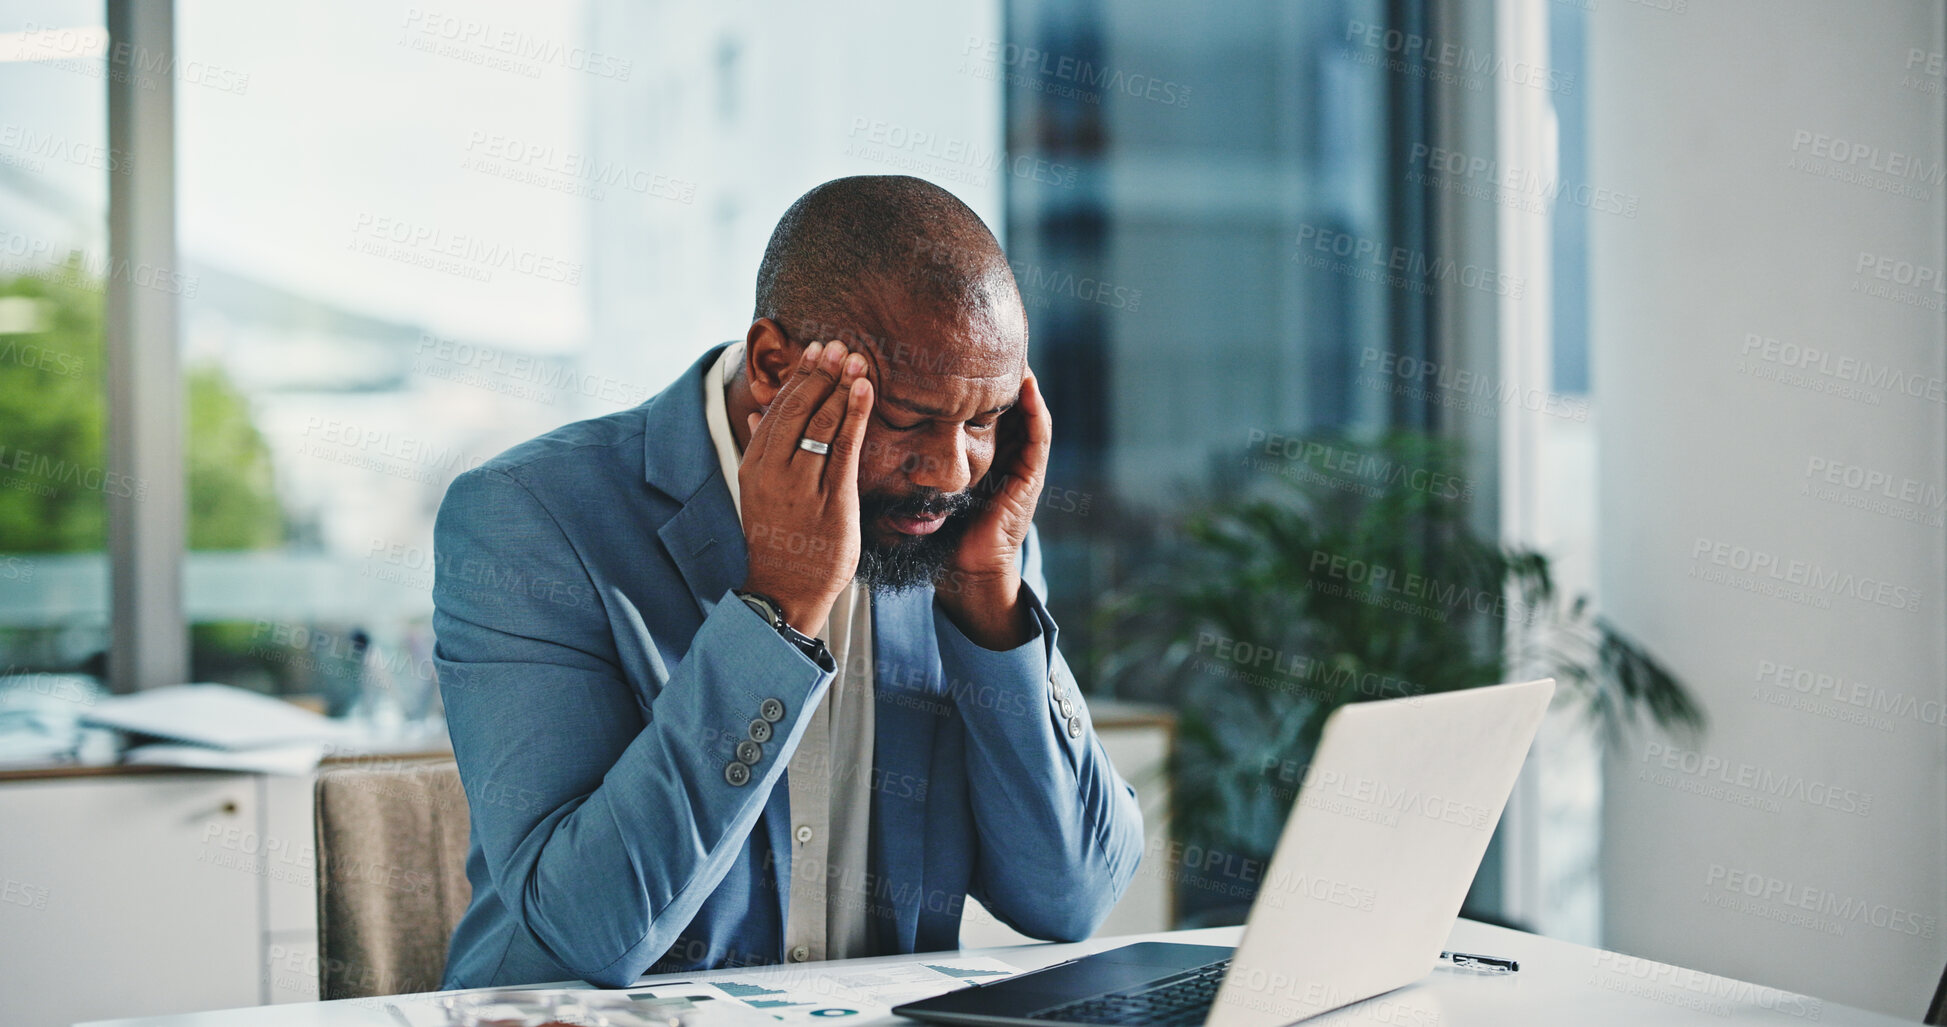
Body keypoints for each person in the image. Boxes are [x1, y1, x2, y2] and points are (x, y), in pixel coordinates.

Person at [433, 175, 1144, 990]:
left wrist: (990, 604)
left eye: (981, 422)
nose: (950, 469)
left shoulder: (961, 533)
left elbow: (1071, 897)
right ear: (774, 364)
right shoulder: (532, 516)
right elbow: (590, 932)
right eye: (908, 419)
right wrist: (778, 610)